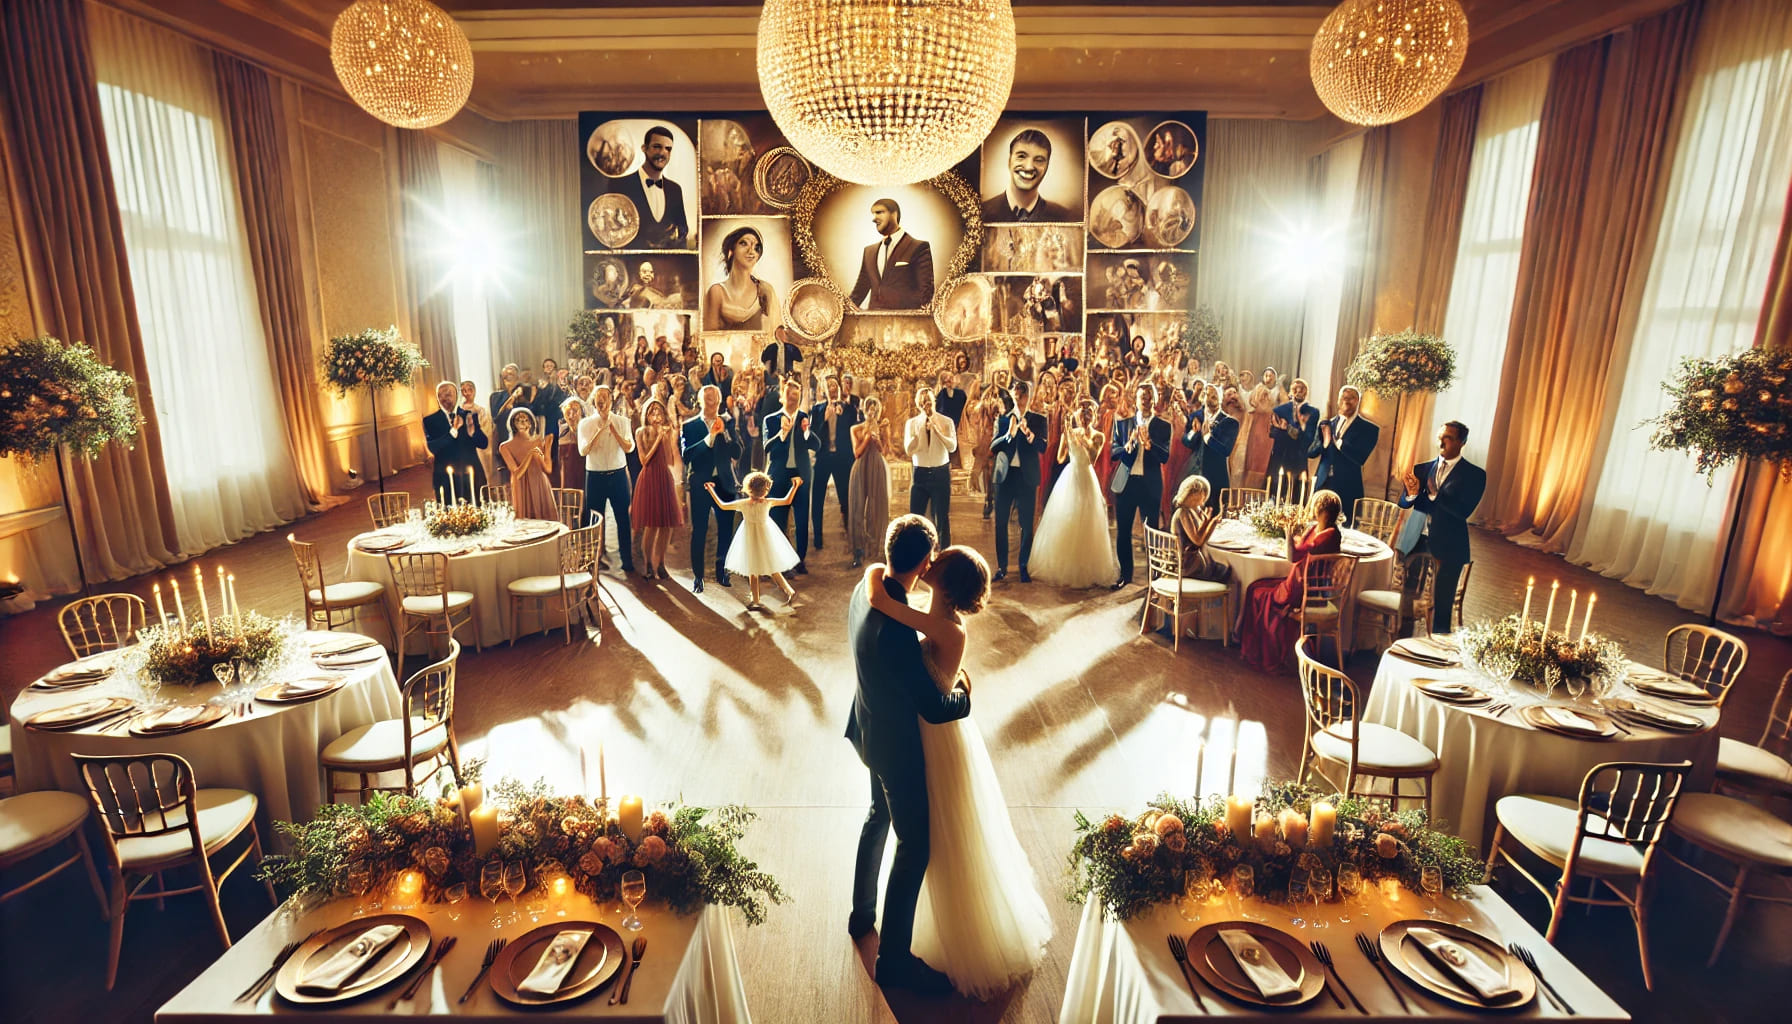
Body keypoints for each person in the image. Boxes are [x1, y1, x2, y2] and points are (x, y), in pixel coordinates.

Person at [860, 549, 1052, 997]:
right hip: (920, 734)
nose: (929, 562)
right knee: (923, 836)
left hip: (937, 740)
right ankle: (910, 929)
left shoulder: (945, 628)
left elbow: (885, 605)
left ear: (947, 582)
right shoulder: (933, 620)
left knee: (941, 836)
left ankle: (952, 931)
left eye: (938, 561)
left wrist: (873, 572)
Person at [846, 514, 970, 996]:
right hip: (895, 745)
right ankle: (893, 962)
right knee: (914, 844)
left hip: (866, 726)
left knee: (876, 816)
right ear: (924, 561)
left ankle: (861, 915)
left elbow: (876, 584)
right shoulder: (898, 631)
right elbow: (934, 708)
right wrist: (964, 696)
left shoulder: (868, 586)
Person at [1397, 421, 1487, 635]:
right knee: (1407, 596)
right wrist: (1410, 494)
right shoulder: (1422, 468)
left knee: (1442, 604)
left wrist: (1436, 495)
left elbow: (1463, 511)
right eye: (1440, 436)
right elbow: (1405, 503)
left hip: (1449, 544)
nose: (1441, 441)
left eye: (1447, 437)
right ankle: (1402, 641)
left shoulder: (1475, 475)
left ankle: (1438, 649)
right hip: (1416, 539)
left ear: (1461, 442)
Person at [1240, 489, 1344, 672]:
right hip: (1299, 579)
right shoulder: (1318, 528)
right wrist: (1296, 538)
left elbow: (1293, 556)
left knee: (1259, 594)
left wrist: (1288, 533)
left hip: (1305, 586)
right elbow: (1300, 548)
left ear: (1321, 509)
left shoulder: (1328, 534)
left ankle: (1262, 648)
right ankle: (1247, 641)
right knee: (1256, 586)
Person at [1030, 399, 1121, 588]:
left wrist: (1084, 442)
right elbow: (1061, 457)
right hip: (1070, 475)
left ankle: (1085, 567)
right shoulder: (1070, 432)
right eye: (1081, 413)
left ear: (1093, 416)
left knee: (1087, 520)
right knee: (1066, 517)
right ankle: (1063, 565)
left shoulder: (1098, 436)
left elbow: (1092, 459)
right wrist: (1067, 440)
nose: (1084, 417)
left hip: (1086, 477)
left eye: (1088, 414)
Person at [1110, 383, 1171, 589]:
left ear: (1154, 400)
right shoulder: (1123, 424)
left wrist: (1149, 445)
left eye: (1148, 396)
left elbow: (1164, 456)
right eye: (1141, 396)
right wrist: (1126, 447)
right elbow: (1113, 451)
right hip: (1126, 485)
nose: (1144, 399)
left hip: (1150, 486)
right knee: (1123, 532)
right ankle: (1125, 576)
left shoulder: (1163, 426)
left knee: (1151, 533)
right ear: (1135, 400)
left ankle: (1154, 580)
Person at [710, 472, 800, 609]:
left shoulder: (743, 503)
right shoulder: (767, 502)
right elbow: (787, 501)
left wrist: (711, 490)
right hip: (766, 537)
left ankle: (756, 600)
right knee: (772, 567)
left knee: (753, 569)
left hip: (750, 537)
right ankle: (788, 592)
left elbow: (722, 505)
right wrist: (794, 486)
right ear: (765, 490)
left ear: (748, 488)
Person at [683, 384, 741, 593]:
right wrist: (709, 438)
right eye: (709, 398)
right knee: (699, 530)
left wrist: (724, 434)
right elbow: (687, 456)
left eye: (716, 398)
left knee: (726, 529)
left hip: (725, 483)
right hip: (701, 484)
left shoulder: (727, 422)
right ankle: (698, 576)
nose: (713, 402)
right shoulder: (689, 426)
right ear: (700, 401)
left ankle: (722, 570)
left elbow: (737, 452)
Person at [989, 380, 1049, 583]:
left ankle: (1024, 566)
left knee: (1026, 524)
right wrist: (1008, 435)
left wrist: (1029, 435)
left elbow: (1043, 447)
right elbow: (993, 446)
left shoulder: (1039, 419)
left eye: (1022, 395)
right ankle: (1002, 567)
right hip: (1004, 477)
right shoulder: (1004, 419)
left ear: (1027, 397)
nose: (1019, 399)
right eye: (1016, 395)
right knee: (1001, 523)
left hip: (1027, 477)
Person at [763, 377, 819, 574]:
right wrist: (781, 434)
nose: (793, 398)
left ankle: (799, 560)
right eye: (789, 394)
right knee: (778, 520)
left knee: (802, 520)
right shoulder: (770, 419)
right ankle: (781, 563)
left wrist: (806, 433)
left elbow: (816, 445)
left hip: (802, 476)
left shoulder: (804, 417)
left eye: (797, 395)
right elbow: (766, 447)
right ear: (782, 397)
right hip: (778, 477)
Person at [605, 125, 688, 249]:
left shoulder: (675, 189)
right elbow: (609, 231)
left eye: (668, 149)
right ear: (644, 148)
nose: (662, 153)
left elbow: (683, 229)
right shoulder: (619, 185)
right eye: (657, 147)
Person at [628, 398, 683, 580]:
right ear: (646, 415)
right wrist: (658, 438)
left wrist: (669, 439)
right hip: (649, 477)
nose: (656, 416)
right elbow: (644, 460)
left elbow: (669, 460)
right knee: (651, 525)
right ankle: (648, 564)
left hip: (664, 477)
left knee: (666, 525)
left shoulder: (666, 433)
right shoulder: (640, 432)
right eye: (652, 412)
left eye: (659, 412)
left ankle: (661, 563)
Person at [1308, 385, 1379, 525]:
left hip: (1348, 486)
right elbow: (1311, 453)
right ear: (1338, 401)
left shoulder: (1370, 429)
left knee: (1345, 529)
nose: (1347, 401)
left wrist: (1337, 440)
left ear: (1358, 401)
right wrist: (1325, 442)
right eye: (1344, 397)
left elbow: (1360, 457)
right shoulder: (1326, 424)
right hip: (1323, 483)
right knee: (1315, 525)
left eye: (1351, 398)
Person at [850, 198, 935, 310]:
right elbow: (859, 291)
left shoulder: (918, 247)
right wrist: (842, 310)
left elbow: (926, 292)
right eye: (873, 214)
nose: (874, 219)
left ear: (894, 214)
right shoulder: (869, 252)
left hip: (905, 323)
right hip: (873, 322)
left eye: (879, 212)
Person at [981, 128, 1075, 223]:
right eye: (1021, 156)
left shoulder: (1064, 217)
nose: (1029, 167)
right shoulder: (981, 212)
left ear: (1047, 166)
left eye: (1039, 160)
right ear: (1009, 161)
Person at [811, 375, 860, 554]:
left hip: (842, 460)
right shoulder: (817, 410)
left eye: (834, 385)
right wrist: (824, 418)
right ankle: (817, 539)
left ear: (839, 388)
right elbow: (812, 435)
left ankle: (850, 537)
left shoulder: (848, 409)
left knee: (846, 499)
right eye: (829, 385)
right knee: (817, 499)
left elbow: (856, 432)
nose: (832, 388)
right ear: (824, 389)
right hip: (823, 458)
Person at [904, 386, 957, 547]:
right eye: (923, 401)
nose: (926, 404)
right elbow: (908, 450)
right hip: (920, 472)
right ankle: (916, 554)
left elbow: (952, 446)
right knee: (915, 518)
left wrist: (936, 430)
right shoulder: (911, 423)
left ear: (934, 401)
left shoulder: (946, 421)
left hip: (940, 472)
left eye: (929, 400)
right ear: (918, 404)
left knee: (941, 517)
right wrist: (920, 430)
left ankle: (945, 554)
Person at [703, 225, 780, 331]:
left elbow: (777, 334)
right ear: (731, 251)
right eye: (744, 243)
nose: (751, 251)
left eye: (756, 247)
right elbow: (709, 338)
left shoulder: (765, 290)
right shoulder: (716, 292)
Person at [424, 380, 487, 501]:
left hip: (471, 475)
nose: (443, 398)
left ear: (456, 395)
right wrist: (453, 431)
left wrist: (474, 432)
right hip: (445, 477)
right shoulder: (429, 420)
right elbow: (433, 447)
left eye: (447, 394)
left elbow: (483, 444)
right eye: (440, 395)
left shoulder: (469, 415)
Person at [848, 396, 892, 569]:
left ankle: (876, 548)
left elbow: (884, 451)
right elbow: (857, 453)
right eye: (868, 408)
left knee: (877, 507)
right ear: (864, 410)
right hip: (860, 468)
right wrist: (867, 438)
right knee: (858, 508)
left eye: (874, 409)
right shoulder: (855, 428)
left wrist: (878, 439)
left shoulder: (883, 427)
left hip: (877, 467)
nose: (871, 412)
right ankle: (858, 551)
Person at [1167, 476, 1230, 584]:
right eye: (1199, 496)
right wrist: (1212, 523)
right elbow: (1198, 541)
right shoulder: (1183, 512)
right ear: (1188, 496)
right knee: (1224, 571)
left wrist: (1206, 522)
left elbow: (1198, 533)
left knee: (1222, 568)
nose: (1203, 499)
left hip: (1190, 559)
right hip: (1185, 564)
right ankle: (1209, 599)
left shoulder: (1193, 510)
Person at [1188, 383, 1237, 513]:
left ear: (1221, 397)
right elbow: (1186, 442)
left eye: (1215, 394)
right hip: (1194, 477)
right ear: (1203, 397)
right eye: (1208, 394)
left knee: (1215, 518)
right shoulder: (1195, 417)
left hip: (1216, 480)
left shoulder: (1230, 422)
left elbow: (1226, 450)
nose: (1211, 397)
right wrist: (1193, 432)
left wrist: (1208, 437)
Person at [501, 407, 557, 521]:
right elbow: (517, 474)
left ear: (531, 424)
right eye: (518, 420)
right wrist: (530, 454)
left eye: (525, 420)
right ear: (513, 424)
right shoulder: (505, 446)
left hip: (540, 485)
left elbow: (548, 469)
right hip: (521, 487)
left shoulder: (537, 442)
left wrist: (548, 448)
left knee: (545, 523)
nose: (522, 422)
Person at [1268, 377, 1319, 494]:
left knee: (1296, 496)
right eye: (1295, 388)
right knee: (1276, 492)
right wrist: (1292, 432)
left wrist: (1287, 428)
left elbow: (1308, 438)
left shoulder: (1313, 412)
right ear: (1290, 391)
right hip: (1280, 456)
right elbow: (1273, 433)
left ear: (1306, 392)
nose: (1299, 391)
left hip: (1298, 458)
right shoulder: (1279, 410)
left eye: (1302, 389)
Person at [489, 364, 528, 483]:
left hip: (523, 447)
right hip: (504, 446)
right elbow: (496, 416)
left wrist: (519, 396)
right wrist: (512, 398)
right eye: (505, 375)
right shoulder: (496, 396)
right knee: (507, 483)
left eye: (511, 374)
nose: (507, 376)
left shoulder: (526, 397)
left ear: (518, 377)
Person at [1245, 368, 1282, 489]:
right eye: (1266, 374)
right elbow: (1253, 402)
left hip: (1270, 422)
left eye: (1271, 375)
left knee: (1265, 454)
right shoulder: (1259, 388)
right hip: (1257, 421)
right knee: (1253, 453)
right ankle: (1250, 485)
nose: (1268, 377)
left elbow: (1284, 403)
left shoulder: (1278, 390)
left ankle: (1261, 486)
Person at [534, 357, 569, 476]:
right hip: (545, 422)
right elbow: (538, 404)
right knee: (547, 448)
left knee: (557, 447)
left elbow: (563, 401)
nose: (549, 368)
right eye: (546, 366)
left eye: (551, 366)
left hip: (557, 420)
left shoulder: (560, 384)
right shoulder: (540, 386)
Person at [459, 379, 498, 482]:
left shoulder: (480, 410)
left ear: (474, 391)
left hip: (478, 444)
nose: (467, 393)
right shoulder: (458, 409)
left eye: (469, 390)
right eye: (464, 390)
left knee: (483, 469)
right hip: (464, 444)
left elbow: (486, 428)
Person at [557, 395, 585, 490]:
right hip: (566, 476)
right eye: (568, 412)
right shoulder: (561, 430)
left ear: (581, 412)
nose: (571, 416)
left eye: (575, 411)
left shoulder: (587, 428)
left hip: (584, 475)